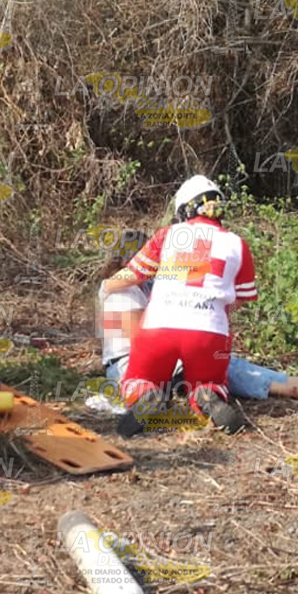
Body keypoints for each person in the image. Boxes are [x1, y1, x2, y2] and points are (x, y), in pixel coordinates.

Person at [96, 233, 298, 411]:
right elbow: (140, 341)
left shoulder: (145, 286)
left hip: (155, 361)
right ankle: (293, 387)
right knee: (224, 363)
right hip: (129, 368)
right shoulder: (119, 292)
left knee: (218, 359)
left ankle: (288, 382)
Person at [102, 175, 256, 437]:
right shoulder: (237, 244)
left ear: (184, 209)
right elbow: (242, 296)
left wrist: (107, 286)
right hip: (209, 333)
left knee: (139, 378)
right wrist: (213, 308)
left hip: (159, 328)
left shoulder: (168, 235)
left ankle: (146, 396)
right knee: (210, 380)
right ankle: (207, 396)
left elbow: (133, 275)